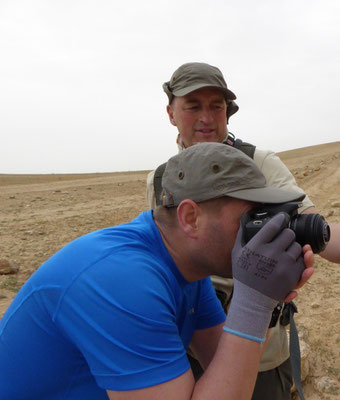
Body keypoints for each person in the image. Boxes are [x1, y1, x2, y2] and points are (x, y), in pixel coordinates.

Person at [147, 62, 340, 399]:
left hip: (259, 349)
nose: (206, 117)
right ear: (171, 113)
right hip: (185, 345)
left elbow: (318, 232)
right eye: (193, 105)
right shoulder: (160, 180)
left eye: (217, 106)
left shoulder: (257, 165)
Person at [0, 143, 315, 400]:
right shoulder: (123, 281)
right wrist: (254, 303)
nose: (261, 232)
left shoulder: (187, 268)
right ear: (190, 217)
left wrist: (265, 299)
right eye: (250, 218)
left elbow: (226, 366)